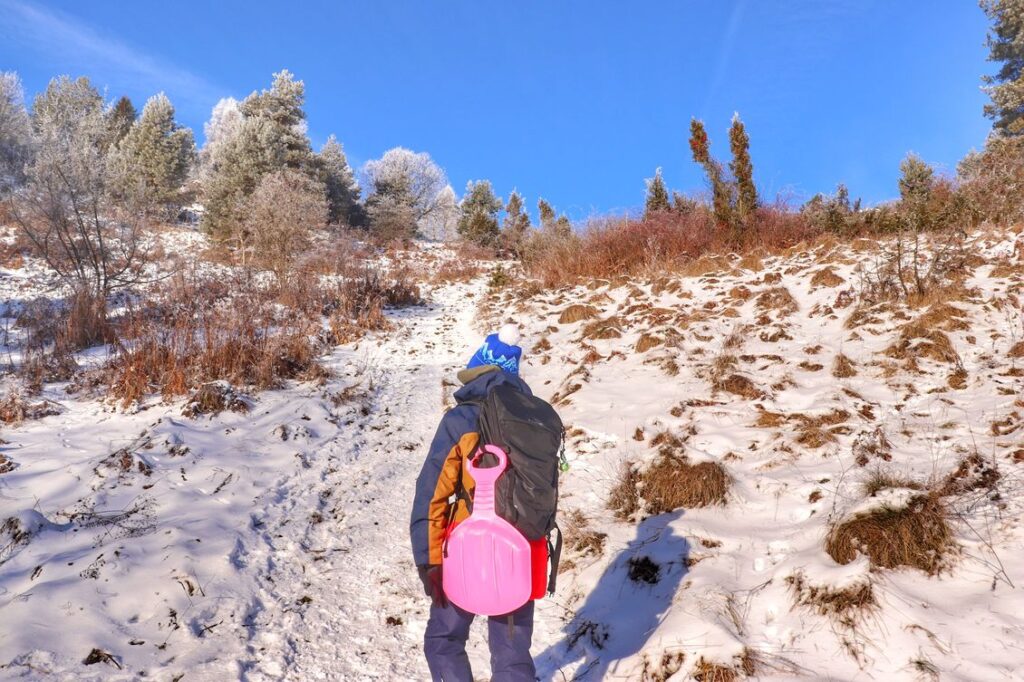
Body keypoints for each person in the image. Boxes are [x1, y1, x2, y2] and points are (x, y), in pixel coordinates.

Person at [410, 324, 537, 682]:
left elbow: (432, 493)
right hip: (521, 550)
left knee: (444, 640)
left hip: (468, 549)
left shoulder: (461, 420)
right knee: (512, 654)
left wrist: (429, 559)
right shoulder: (534, 417)